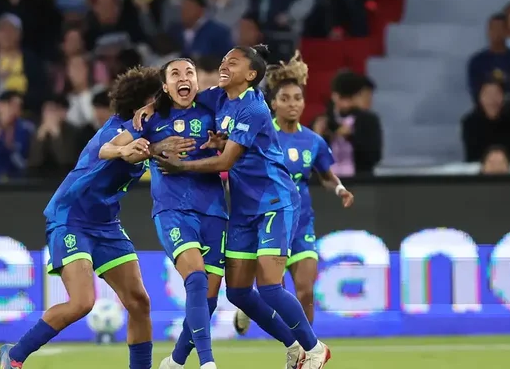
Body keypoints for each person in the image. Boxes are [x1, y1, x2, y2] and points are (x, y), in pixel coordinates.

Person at [149, 46, 332, 369]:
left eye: (232, 63)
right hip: (243, 208)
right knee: (237, 293)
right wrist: (147, 108)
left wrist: (182, 167)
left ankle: (314, 347)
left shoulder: (254, 109)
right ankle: (292, 346)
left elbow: (226, 161)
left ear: (250, 75)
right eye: (222, 60)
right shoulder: (218, 97)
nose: (223, 66)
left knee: (271, 287)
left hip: (274, 200)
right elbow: (183, 98)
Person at [0, 66, 168, 369]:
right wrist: (127, 150)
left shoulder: (154, 131)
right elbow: (109, 149)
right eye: (156, 99)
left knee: (140, 303)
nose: (161, 104)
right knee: (82, 303)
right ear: (139, 103)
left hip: (106, 224)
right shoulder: (117, 129)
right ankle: (14, 355)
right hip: (71, 218)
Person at [103, 58, 224, 369]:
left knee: (208, 298)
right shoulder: (151, 120)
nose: (183, 78)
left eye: (189, 73)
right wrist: (145, 149)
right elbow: (107, 149)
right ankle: (208, 363)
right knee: (195, 278)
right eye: (175, 74)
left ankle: (176, 362)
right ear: (166, 87)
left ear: (197, 82)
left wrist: (221, 143)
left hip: (214, 210)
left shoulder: (213, 109)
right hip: (173, 210)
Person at [250, 51, 355, 324]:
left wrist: (340, 189)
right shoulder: (260, 136)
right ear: (273, 103)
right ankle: (248, 303)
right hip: (270, 223)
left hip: (302, 223)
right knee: (273, 292)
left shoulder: (313, 141)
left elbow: (326, 175)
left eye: (297, 98)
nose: (292, 104)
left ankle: (307, 354)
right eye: (285, 99)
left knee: (305, 291)